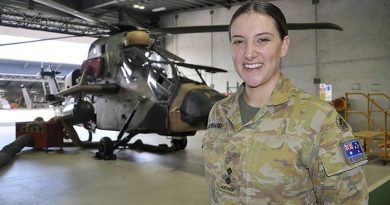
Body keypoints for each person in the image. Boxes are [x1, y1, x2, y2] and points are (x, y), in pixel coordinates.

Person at [202, 1, 369, 204]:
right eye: (239, 41)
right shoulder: (218, 113)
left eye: (262, 40)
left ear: (284, 45)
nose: (248, 53)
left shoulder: (319, 120)